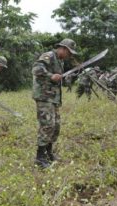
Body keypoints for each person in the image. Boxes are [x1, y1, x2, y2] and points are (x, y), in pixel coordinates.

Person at [32, 38, 78, 169]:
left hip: (53, 98)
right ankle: (40, 158)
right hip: (44, 96)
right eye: (69, 52)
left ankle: (48, 153)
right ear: (63, 48)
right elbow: (36, 69)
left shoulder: (60, 61)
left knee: (55, 126)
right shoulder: (49, 56)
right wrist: (50, 75)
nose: (70, 55)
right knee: (47, 125)